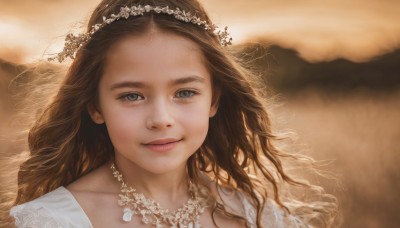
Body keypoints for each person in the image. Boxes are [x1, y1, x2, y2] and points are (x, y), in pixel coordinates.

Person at [7, 0, 338, 227]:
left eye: (184, 93)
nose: (161, 118)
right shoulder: (54, 220)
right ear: (95, 107)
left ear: (214, 100)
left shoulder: (255, 216)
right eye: (132, 95)